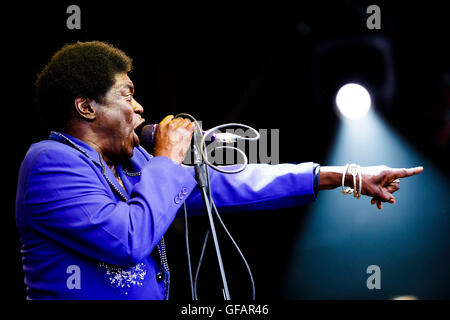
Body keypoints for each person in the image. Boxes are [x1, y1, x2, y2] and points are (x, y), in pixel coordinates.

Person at [15, 41, 423, 300]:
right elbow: (126, 239)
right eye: (127, 94)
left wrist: (341, 175)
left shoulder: (135, 164)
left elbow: (233, 186)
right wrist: (167, 159)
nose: (139, 108)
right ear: (86, 107)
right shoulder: (50, 161)